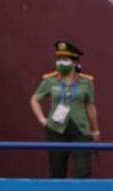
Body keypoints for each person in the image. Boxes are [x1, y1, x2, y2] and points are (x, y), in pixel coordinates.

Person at [30, 40, 100, 179]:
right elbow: (34, 99)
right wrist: (43, 120)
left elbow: (90, 107)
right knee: (57, 172)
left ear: (74, 63)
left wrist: (95, 130)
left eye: (65, 60)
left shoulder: (86, 82)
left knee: (82, 172)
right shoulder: (50, 81)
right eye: (59, 59)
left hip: (80, 131)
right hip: (56, 130)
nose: (60, 63)